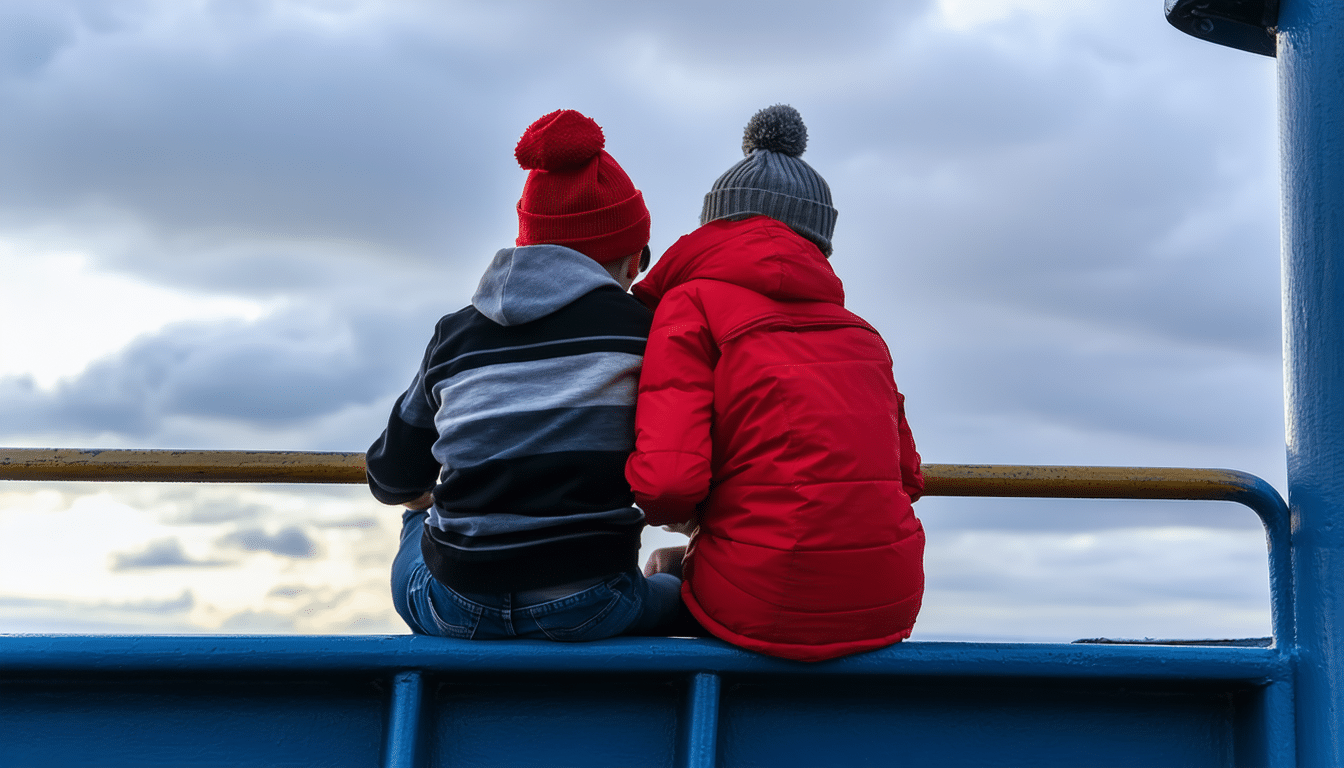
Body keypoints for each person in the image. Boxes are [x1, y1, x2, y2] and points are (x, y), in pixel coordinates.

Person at [367, 109, 682, 641]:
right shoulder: (645, 334)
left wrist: (421, 501)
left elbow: (391, 479)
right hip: (592, 605)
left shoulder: (455, 336)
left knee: (415, 525)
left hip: (456, 605)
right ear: (628, 257)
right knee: (676, 588)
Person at [626, 105, 926, 662]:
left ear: (712, 228)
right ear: (820, 246)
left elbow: (667, 485)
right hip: (888, 602)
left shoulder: (690, 306)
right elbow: (908, 478)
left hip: (758, 605)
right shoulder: (862, 333)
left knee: (662, 572)